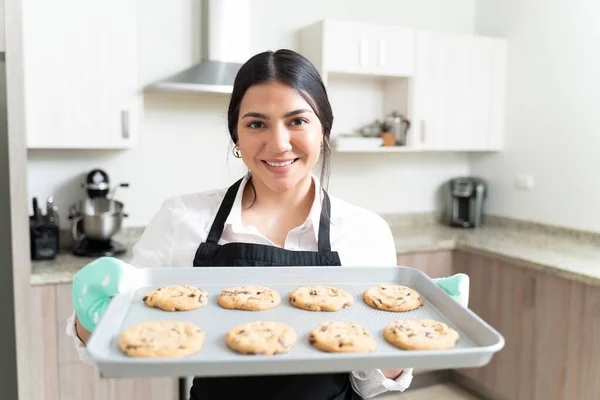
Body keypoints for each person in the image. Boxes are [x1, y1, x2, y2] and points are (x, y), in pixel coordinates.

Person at [67, 49, 469, 400]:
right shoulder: (181, 219)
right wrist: (92, 319)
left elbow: (370, 384)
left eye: (297, 121)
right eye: (256, 123)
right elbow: (120, 345)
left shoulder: (365, 232)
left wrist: (415, 335)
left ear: (323, 131)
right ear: (236, 137)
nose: (278, 144)